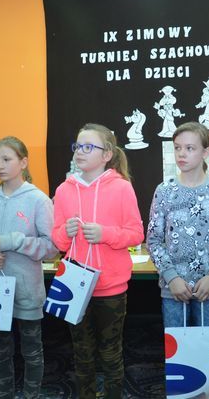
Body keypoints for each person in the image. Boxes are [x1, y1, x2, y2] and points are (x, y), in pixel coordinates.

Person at [51, 123, 144, 399]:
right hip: (73, 285)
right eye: (78, 146)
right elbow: (58, 241)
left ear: (107, 155)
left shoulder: (122, 188)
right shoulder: (64, 190)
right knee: (81, 354)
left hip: (110, 287)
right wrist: (65, 233)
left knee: (111, 353)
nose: (80, 151)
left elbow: (136, 233)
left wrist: (106, 234)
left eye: (88, 147)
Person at [0, 136, 57, 399]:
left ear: (23, 162)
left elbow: (51, 247)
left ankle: (31, 395)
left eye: (6, 159)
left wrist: (16, 242)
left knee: (32, 351)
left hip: (27, 289)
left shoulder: (38, 200)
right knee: (0, 353)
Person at [147, 121, 209, 327]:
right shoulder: (164, 191)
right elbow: (153, 241)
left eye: (189, 148)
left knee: (207, 345)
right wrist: (172, 278)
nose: (181, 154)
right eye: (177, 147)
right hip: (173, 289)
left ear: (205, 152)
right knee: (177, 345)